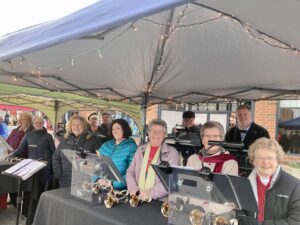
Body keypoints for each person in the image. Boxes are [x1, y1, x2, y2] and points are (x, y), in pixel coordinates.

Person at [242, 137, 300, 224]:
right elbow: (237, 209)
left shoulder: (295, 186)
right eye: (260, 158)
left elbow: (296, 220)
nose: (265, 162)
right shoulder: (243, 183)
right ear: (253, 161)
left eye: (270, 158)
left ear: (277, 160)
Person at [126, 119, 179, 201]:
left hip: (158, 202)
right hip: (136, 197)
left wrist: (149, 193)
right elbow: (130, 172)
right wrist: (134, 190)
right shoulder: (140, 150)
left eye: (160, 131)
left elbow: (170, 180)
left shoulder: (172, 153)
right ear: (148, 133)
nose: (156, 134)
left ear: (165, 134)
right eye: (153, 131)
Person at [52, 115, 102, 188]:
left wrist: (83, 166)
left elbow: (99, 162)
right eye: (74, 125)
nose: (76, 127)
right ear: (70, 126)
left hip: (85, 182)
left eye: (79, 125)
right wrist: (59, 173)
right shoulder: (65, 140)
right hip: (65, 180)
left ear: (84, 126)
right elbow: (55, 157)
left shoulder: (93, 141)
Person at [11, 116, 55, 198]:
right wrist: (10, 155)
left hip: (45, 167)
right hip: (32, 166)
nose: (38, 124)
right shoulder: (28, 135)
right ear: (33, 124)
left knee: (42, 187)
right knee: (33, 188)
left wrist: (53, 168)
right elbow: (20, 149)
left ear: (43, 124)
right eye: (36, 123)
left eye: (40, 123)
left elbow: (53, 152)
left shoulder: (48, 136)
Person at [93, 119, 137, 190]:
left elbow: (132, 171)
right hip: (100, 186)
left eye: (118, 128)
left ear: (124, 129)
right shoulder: (105, 145)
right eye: (113, 129)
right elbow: (96, 166)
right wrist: (97, 179)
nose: (115, 131)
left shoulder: (132, 147)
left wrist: (114, 184)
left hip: (119, 190)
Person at [225, 104, 270, 169]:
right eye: (239, 115)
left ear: (250, 115)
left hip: (253, 168)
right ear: (237, 117)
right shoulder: (230, 132)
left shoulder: (262, 132)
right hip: (233, 167)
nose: (242, 117)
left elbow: (266, 151)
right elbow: (226, 150)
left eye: (245, 114)